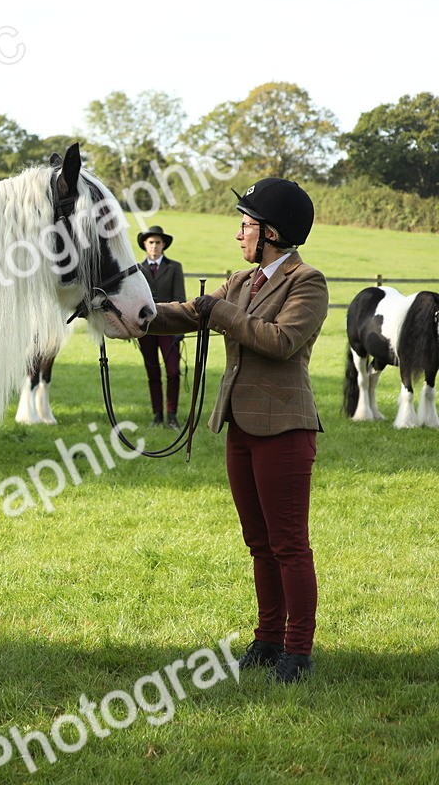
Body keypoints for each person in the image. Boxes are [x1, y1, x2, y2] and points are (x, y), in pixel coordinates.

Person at [147, 178, 326, 683]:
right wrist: (128, 315)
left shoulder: (306, 281)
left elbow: (283, 340)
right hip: (240, 427)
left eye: (245, 225)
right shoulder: (243, 281)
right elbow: (187, 313)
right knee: (259, 542)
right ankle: (268, 639)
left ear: (270, 232)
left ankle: (299, 650)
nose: (238, 235)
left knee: (289, 543)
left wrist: (220, 312)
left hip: (285, 429)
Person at [136, 226, 187, 429]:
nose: (154, 246)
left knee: (173, 372)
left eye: (158, 242)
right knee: (152, 373)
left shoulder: (174, 267)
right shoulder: (138, 270)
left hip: (169, 328)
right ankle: (157, 415)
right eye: (151, 242)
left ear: (163, 245)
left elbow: (180, 299)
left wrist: (179, 330)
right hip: (147, 330)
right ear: (145, 245)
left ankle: (172, 415)